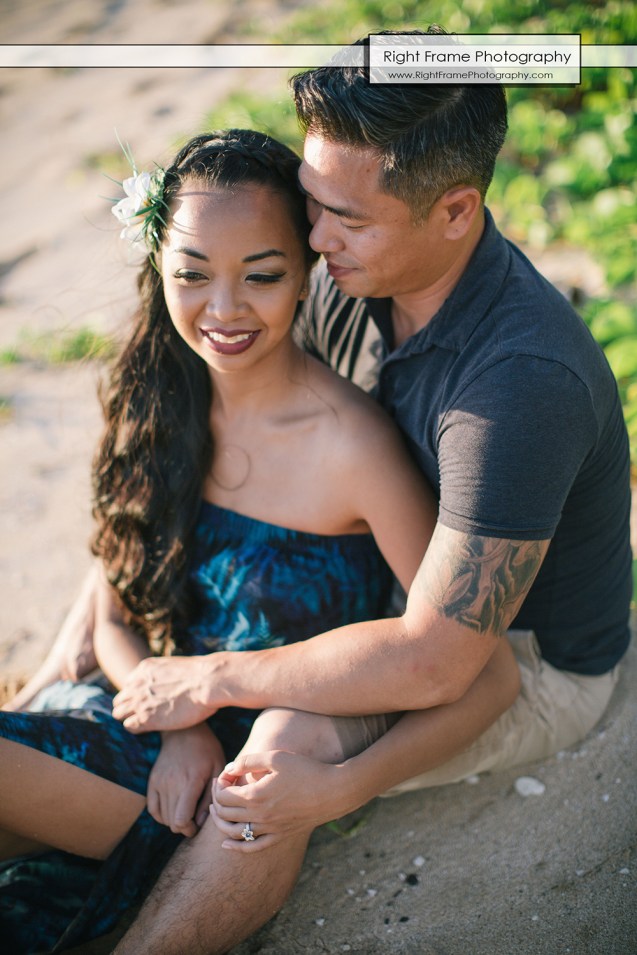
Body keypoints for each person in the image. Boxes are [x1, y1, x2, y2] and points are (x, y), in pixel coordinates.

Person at [5, 28, 632, 955]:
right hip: (386, 581)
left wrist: (216, 685)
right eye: (312, 199)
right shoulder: (346, 263)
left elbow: (446, 663)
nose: (313, 236)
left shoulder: (519, 385)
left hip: (519, 655)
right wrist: (106, 623)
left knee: (280, 752)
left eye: (344, 216)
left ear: (455, 210)